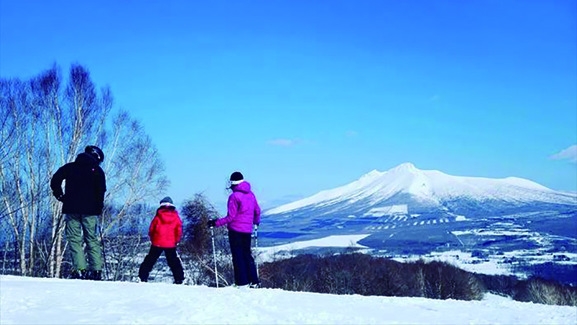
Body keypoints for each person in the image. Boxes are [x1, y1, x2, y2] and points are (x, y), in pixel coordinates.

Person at [50, 145, 106, 280]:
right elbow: (101, 191)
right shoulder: (97, 170)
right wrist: (99, 207)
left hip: (71, 208)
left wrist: (60, 196)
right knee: (91, 239)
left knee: (74, 239)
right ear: (97, 157)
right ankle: (96, 270)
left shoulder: (69, 167)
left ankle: (80, 269)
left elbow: (55, 180)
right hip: (91, 211)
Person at [208, 171, 261, 288]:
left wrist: (216, 223)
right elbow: (257, 210)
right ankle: (254, 280)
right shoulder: (251, 195)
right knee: (247, 255)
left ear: (233, 184)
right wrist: (256, 222)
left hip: (235, 230)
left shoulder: (234, 197)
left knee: (238, 256)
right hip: (247, 230)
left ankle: (242, 282)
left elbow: (230, 217)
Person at [138, 196, 185, 284]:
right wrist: (176, 240)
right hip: (171, 243)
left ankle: (142, 276)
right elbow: (178, 230)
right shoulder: (176, 217)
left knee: (150, 259)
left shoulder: (158, 216)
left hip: (157, 242)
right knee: (173, 261)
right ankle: (179, 278)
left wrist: (153, 238)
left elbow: (152, 229)